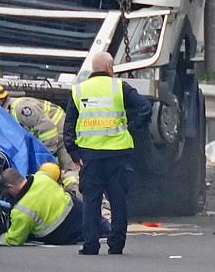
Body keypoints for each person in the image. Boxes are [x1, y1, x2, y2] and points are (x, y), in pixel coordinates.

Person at [64, 51, 152, 255]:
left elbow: (69, 126)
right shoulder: (120, 87)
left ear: (93, 69)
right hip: (118, 153)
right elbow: (145, 108)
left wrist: (74, 153)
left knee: (91, 201)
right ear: (110, 68)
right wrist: (131, 127)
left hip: (90, 155)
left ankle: (90, 245)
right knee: (118, 200)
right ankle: (116, 244)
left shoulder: (79, 91)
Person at [0, 84, 80, 197]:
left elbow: (48, 131)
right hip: (51, 138)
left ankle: (79, 202)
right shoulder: (6, 113)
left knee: (68, 173)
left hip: (61, 133)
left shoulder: (21, 109)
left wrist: (47, 156)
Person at [0, 168, 83, 246]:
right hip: (81, 212)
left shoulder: (21, 211)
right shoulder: (42, 176)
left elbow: (13, 240)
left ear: (11, 187)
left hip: (64, 233)